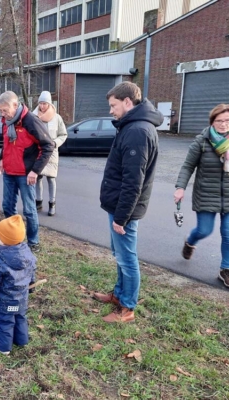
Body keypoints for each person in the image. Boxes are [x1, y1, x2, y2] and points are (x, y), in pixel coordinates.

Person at [93, 82, 163, 323]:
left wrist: (122, 217)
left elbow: (134, 181)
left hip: (125, 210)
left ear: (127, 102)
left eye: (113, 106)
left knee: (127, 258)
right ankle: (119, 295)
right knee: (120, 254)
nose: (111, 111)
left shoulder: (137, 131)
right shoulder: (131, 126)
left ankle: (128, 308)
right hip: (120, 206)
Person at [174, 104, 229, 288]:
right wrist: (180, 187)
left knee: (228, 232)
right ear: (212, 122)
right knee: (204, 230)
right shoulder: (202, 142)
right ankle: (190, 241)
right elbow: (188, 166)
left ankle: (225, 269)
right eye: (219, 121)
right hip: (206, 194)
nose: (223, 124)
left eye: (227, 120)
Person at [0, 91, 54, 253]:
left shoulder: (30, 121)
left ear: (15, 105)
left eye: (5, 110)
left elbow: (48, 146)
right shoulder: (7, 121)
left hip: (26, 174)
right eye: (0, 110)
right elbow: (7, 143)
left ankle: (33, 242)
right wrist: (2, 159)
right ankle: (12, 238)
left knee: (29, 210)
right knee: (8, 207)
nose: (3, 113)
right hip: (9, 172)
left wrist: (35, 171)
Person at [0, 214, 37, 355]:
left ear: (5, 240)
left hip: (4, 302)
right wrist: (32, 284)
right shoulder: (28, 253)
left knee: (5, 322)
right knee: (20, 317)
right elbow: (32, 271)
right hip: (22, 298)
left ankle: (2, 346)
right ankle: (21, 340)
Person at [32, 91, 68, 216]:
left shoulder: (57, 118)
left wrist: (55, 143)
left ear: (49, 103)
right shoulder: (33, 116)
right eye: (40, 103)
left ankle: (52, 204)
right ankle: (38, 202)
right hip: (38, 151)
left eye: (45, 103)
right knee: (38, 177)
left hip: (52, 152)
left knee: (51, 178)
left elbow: (63, 134)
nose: (42, 106)